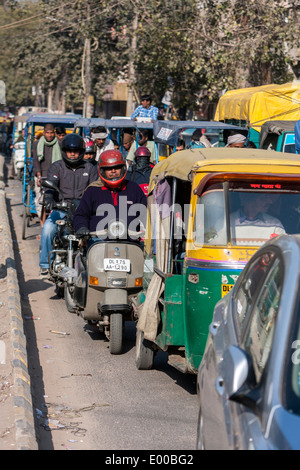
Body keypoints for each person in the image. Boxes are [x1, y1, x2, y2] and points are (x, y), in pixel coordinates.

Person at [39, 134, 98, 274]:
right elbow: (50, 187)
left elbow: (95, 190)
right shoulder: (56, 167)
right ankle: (45, 265)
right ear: (64, 151)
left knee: (97, 235)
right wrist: (49, 198)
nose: (73, 154)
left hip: (83, 211)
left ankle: (95, 267)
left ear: (81, 152)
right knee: (47, 229)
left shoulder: (89, 168)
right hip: (61, 209)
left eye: (76, 151)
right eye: (69, 151)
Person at [73, 149, 147, 241]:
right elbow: (81, 215)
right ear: (102, 170)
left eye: (117, 167)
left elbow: (145, 213)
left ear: (123, 168)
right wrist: (81, 227)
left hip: (129, 242)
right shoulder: (92, 190)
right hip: (98, 241)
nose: (113, 171)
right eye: (108, 168)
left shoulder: (133, 188)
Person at [33, 123, 62, 227]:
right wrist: (39, 176)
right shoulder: (37, 144)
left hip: (55, 176)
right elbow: (36, 161)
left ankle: (53, 224)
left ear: (54, 133)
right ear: (44, 133)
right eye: (47, 133)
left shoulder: (59, 143)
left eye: (51, 133)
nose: (49, 135)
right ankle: (42, 225)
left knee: (55, 200)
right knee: (40, 201)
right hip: (41, 175)